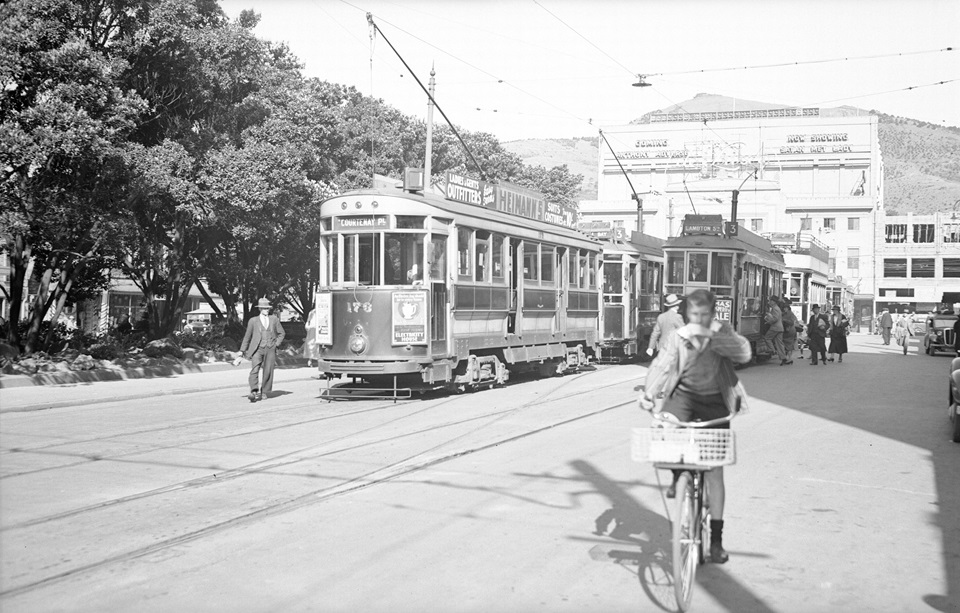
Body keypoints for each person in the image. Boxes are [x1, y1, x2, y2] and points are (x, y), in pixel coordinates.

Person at [639, 289, 752, 564]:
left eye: (703, 315)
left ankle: (716, 541)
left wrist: (716, 336)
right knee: (665, 429)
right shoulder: (679, 336)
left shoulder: (721, 331)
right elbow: (662, 364)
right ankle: (680, 478)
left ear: (712, 315)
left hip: (716, 400)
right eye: (693, 315)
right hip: (684, 398)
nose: (697, 319)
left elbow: (744, 354)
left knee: (714, 471)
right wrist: (648, 392)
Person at [235, 297, 286, 402]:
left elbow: (282, 333)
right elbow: (247, 337)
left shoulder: (274, 319)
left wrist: (276, 344)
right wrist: (242, 350)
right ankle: (253, 391)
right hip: (257, 349)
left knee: (268, 371)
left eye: (268, 308)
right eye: (264, 308)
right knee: (254, 370)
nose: (266, 310)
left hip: (270, 348)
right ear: (260, 309)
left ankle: (264, 392)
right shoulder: (253, 321)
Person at [761, 295, 786, 365]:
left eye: (771, 301)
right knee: (779, 343)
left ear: (774, 302)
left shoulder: (774, 308)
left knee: (767, 338)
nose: (770, 302)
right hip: (780, 328)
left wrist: (768, 321)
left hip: (775, 328)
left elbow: (775, 318)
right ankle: (783, 358)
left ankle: (772, 350)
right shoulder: (777, 308)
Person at [779, 298, 800, 365]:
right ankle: (787, 358)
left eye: (785, 308)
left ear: (788, 308)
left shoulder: (790, 314)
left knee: (788, 345)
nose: (784, 309)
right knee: (786, 345)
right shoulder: (785, 314)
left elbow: (791, 322)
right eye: (784, 308)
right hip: (787, 331)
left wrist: (784, 320)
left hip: (789, 331)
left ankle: (789, 358)